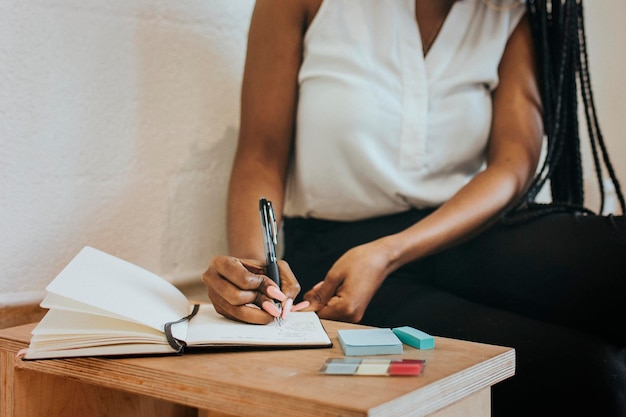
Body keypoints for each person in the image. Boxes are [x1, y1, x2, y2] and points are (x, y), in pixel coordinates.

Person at [203, 1, 626, 416]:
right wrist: (253, 278)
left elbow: (513, 166)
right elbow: (261, 156)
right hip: (337, 261)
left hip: (460, 229)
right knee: (591, 374)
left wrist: (389, 251)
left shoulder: (512, 12)